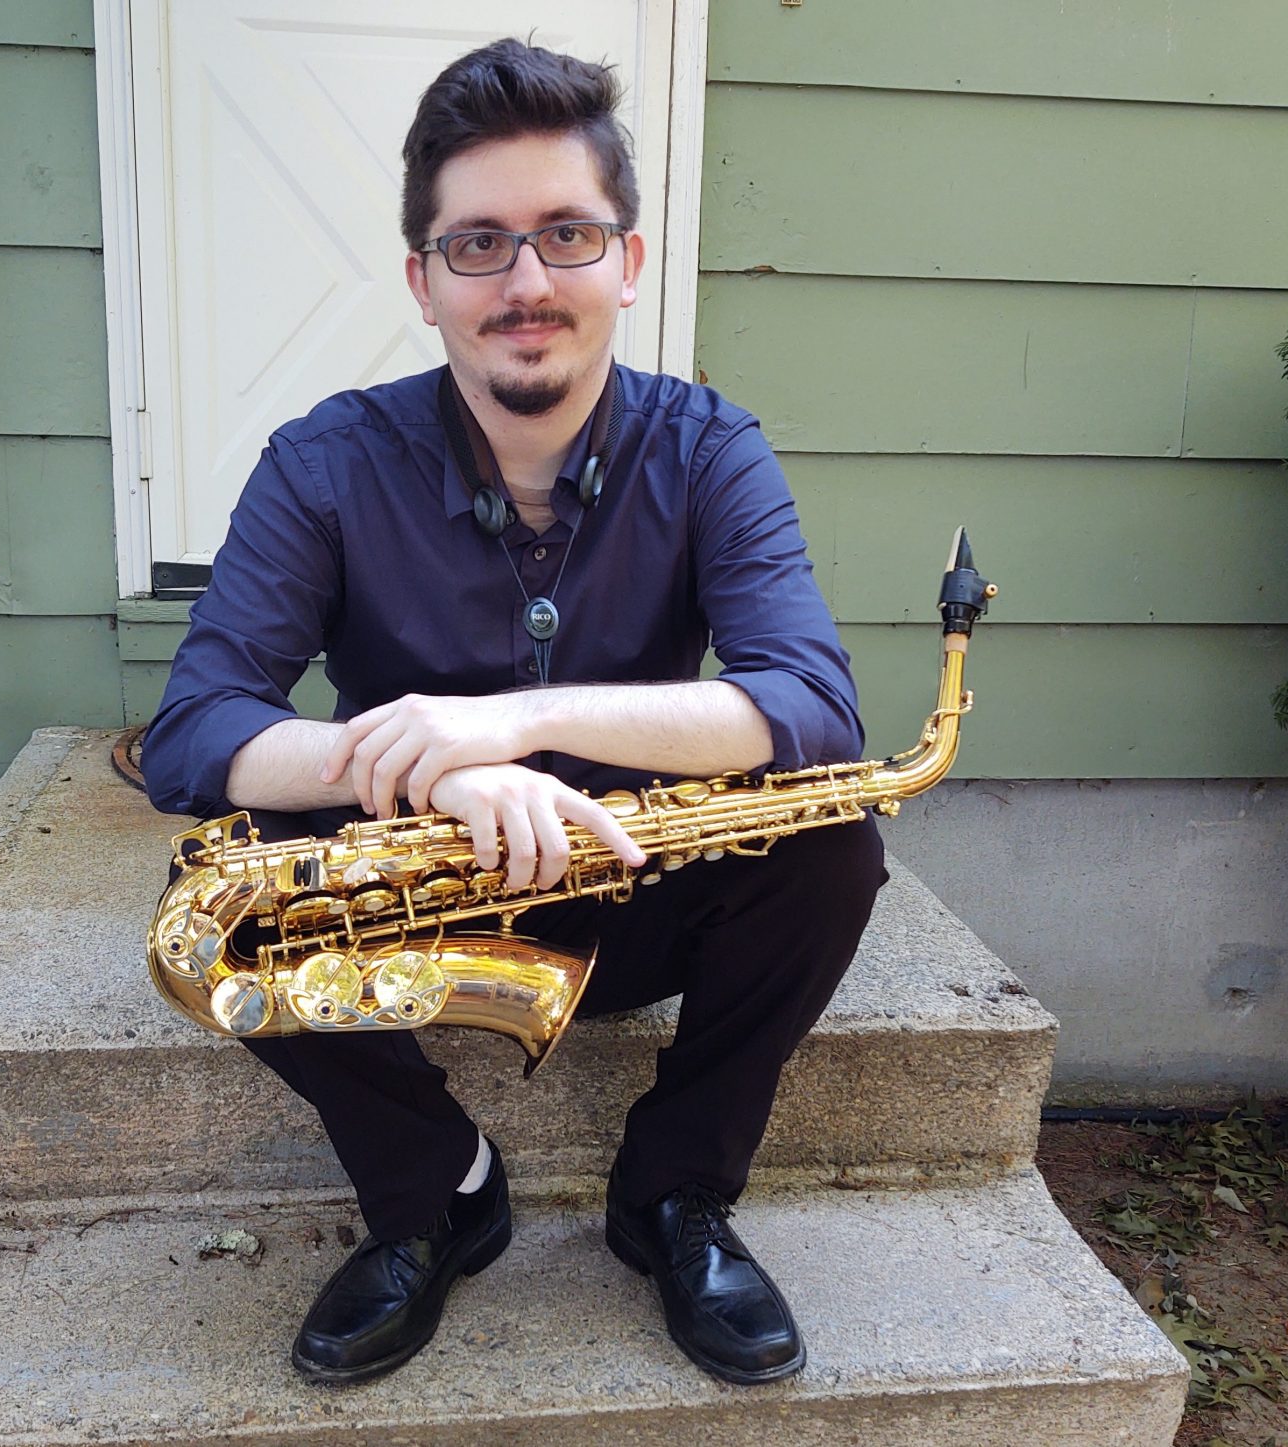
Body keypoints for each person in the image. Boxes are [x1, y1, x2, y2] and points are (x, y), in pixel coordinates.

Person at [143, 38, 886, 1388]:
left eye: (566, 236)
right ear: (424, 281)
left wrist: (509, 723)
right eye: (479, 243)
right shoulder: (322, 460)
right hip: (431, 887)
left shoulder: (712, 446)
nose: (528, 281)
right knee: (231, 885)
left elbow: (811, 705)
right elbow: (196, 727)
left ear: (629, 264)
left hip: (637, 877)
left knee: (831, 849)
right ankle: (436, 1193)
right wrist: (424, 775)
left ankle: (673, 1198)